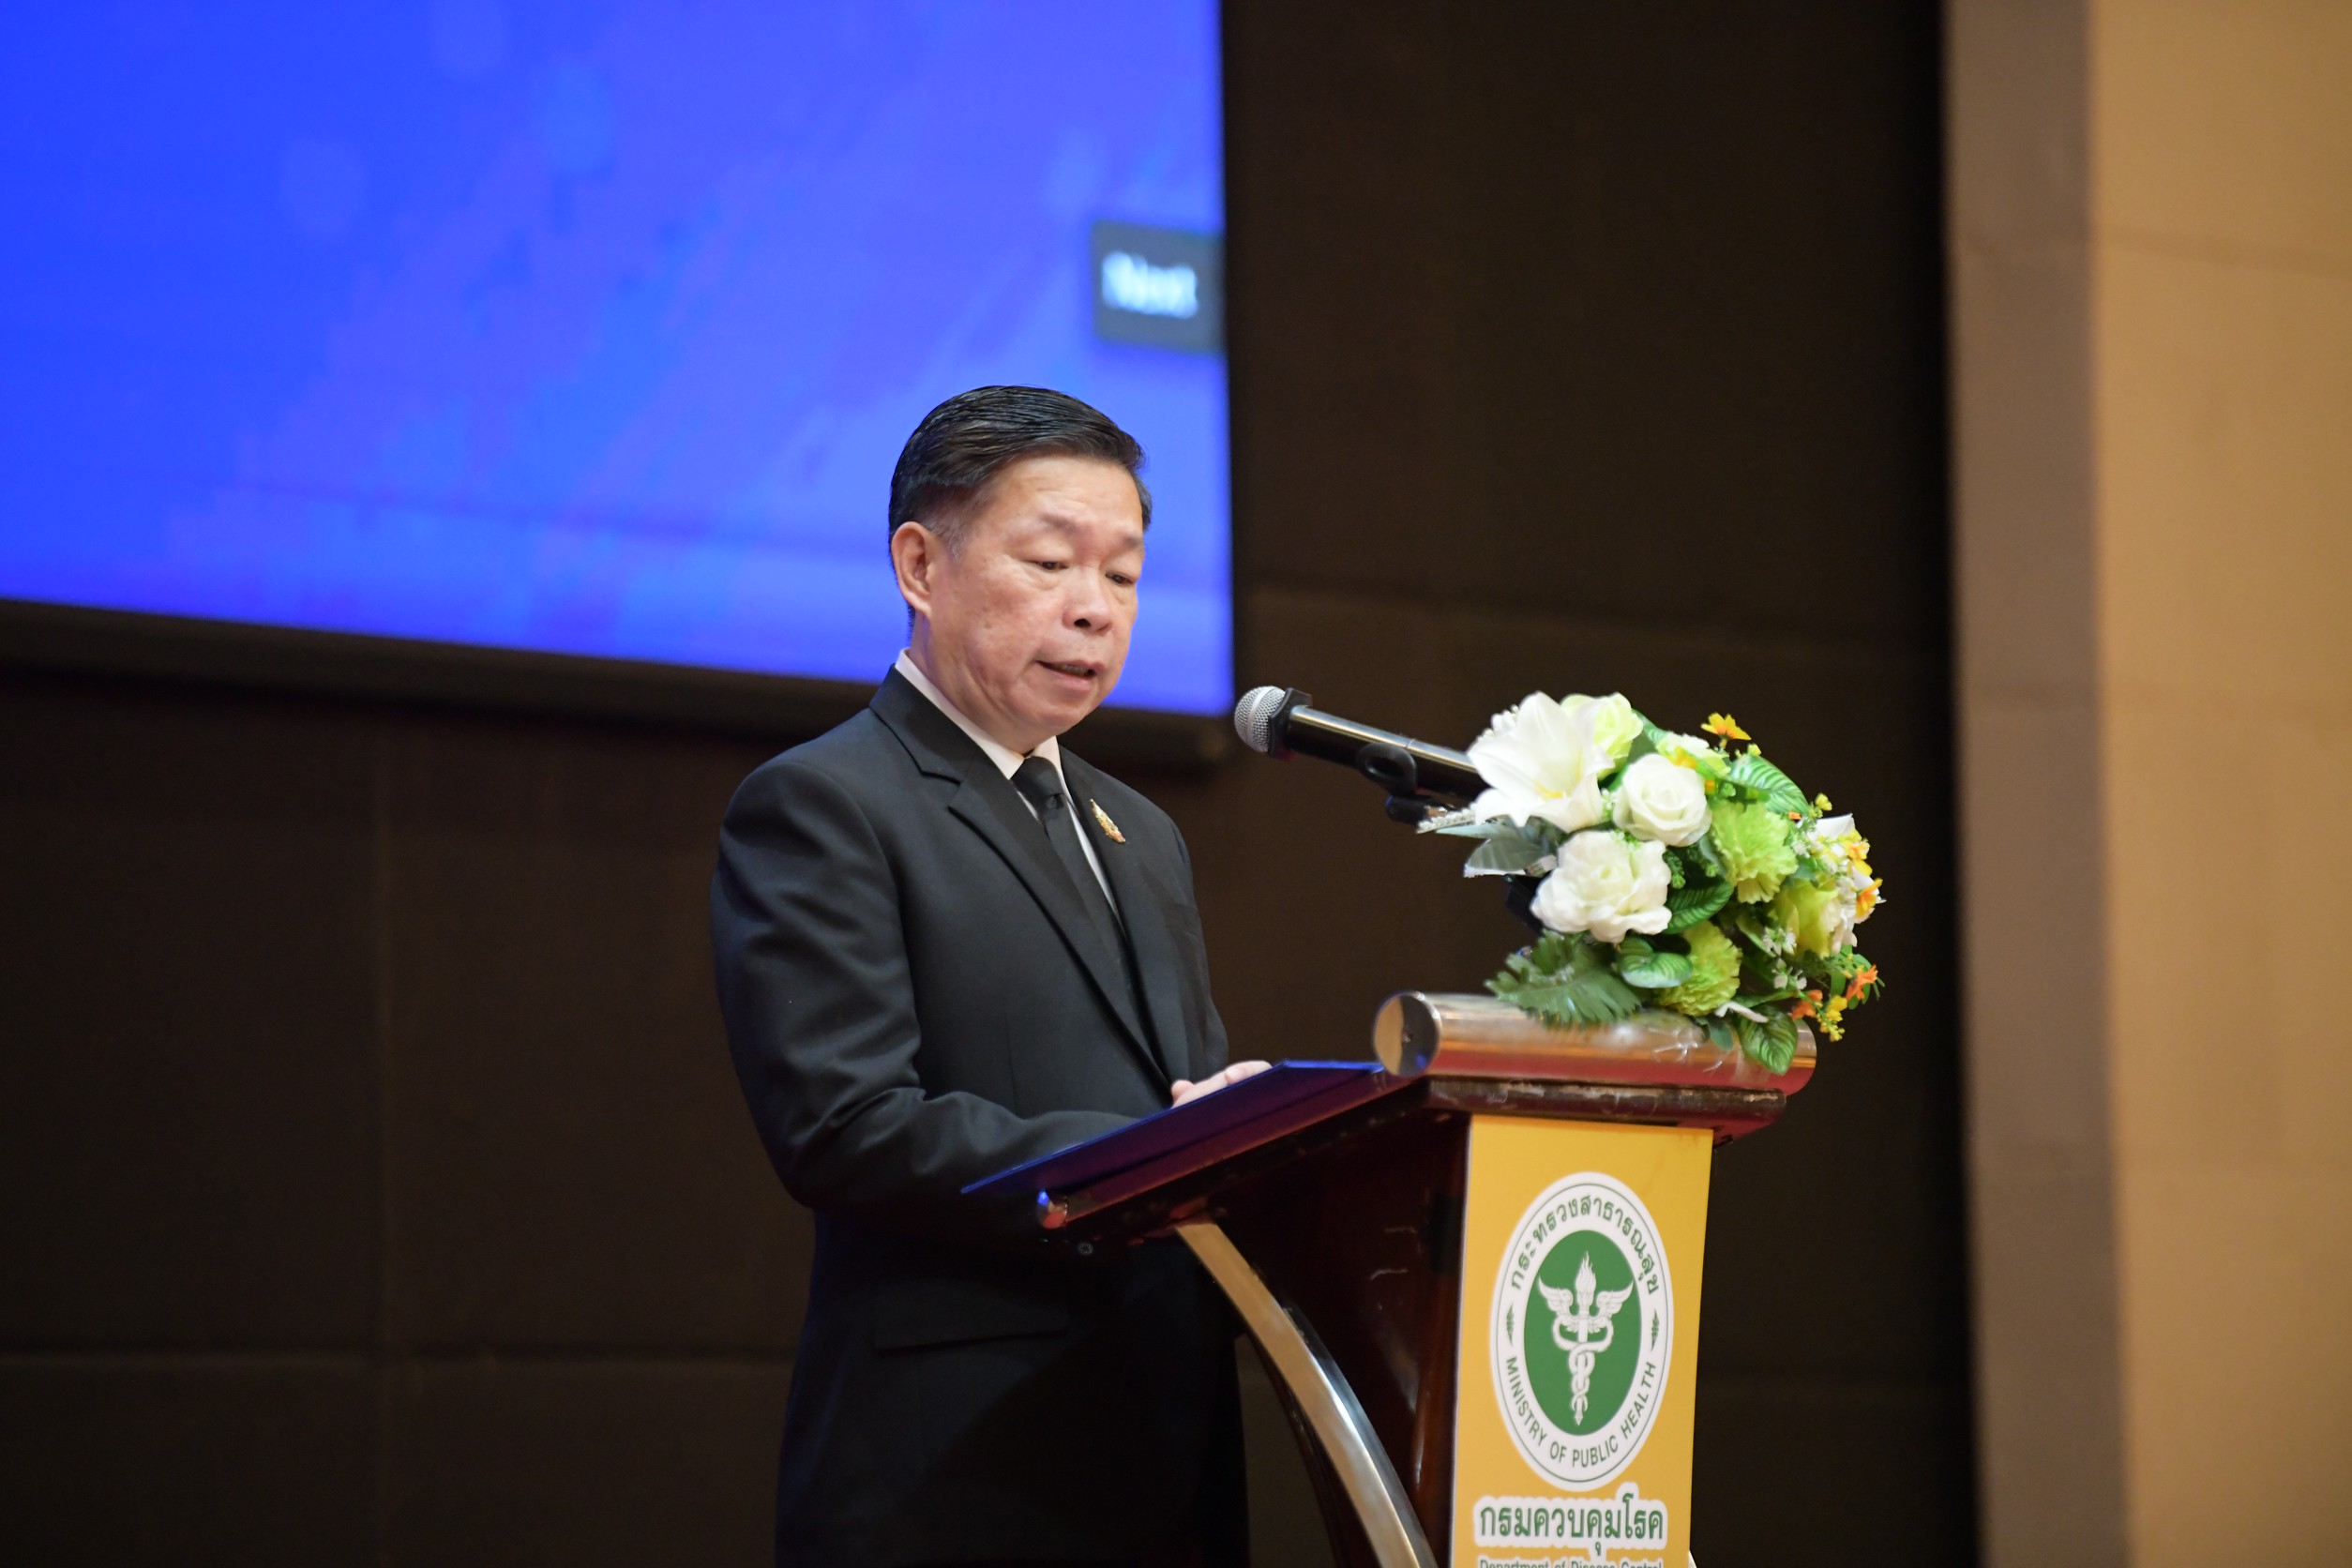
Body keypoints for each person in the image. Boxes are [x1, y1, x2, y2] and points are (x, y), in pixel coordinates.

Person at [711, 386, 1267, 1567]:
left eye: (1123, 574)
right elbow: (848, 1127)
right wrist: (1156, 1158)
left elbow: (1181, 1094)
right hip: (958, 1471)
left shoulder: (1143, 831)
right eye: (1051, 561)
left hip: (1167, 1454)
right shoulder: (827, 803)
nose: (1094, 607)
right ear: (921, 565)